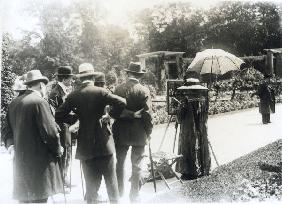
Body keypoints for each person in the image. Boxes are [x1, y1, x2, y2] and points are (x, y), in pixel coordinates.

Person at [56, 63, 126, 204]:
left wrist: (76, 118)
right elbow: (122, 102)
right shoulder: (101, 91)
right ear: (93, 76)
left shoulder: (73, 95)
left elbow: (58, 115)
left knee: (91, 185)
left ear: (80, 78)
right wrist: (110, 116)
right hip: (104, 142)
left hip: (85, 145)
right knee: (111, 183)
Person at [2, 70, 64, 203]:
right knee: (39, 200)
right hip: (40, 168)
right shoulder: (39, 102)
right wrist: (58, 149)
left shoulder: (14, 103)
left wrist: (11, 146)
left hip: (21, 166)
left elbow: (6, 130)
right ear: (41, 85)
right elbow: (50, 133)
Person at [111, 62, 153, 202]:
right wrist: (149, 132)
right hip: (139, 132)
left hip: (120, 132)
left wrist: (128, 114)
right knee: (137, 165)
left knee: (120, 163)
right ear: (139, 75)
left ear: (128, 73)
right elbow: (147, 114)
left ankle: (119, 192)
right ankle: (134, 195)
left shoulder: (118, 89)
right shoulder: (144, 90)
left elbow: (113, 112)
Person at [175, 78, 211, 180]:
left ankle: (190, 171)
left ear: (188, 88)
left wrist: (177, 111)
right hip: (201, 128)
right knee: (201, 144)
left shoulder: (185, 100)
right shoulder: (203, 99)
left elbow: (179, 118)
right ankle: (203, 169)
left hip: (188, 129)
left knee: (188, 147)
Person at [48, 66, 74, 188]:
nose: (72, 81)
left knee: (67, 152)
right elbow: (54, 113)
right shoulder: (55, 93)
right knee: (64, 152)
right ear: (64, 79)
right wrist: (70, 112)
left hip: (67, 126)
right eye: (70, 78)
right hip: (61, 126)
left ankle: (63, 178)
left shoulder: (64, 91)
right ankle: (62, 180)